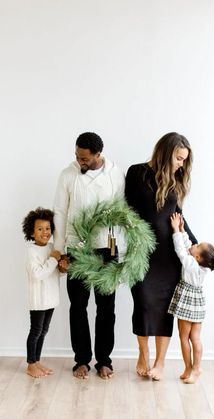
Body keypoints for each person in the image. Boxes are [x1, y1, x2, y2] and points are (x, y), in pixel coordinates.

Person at [125, 132, 197, 380]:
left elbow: (179, 218)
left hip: (169, 255)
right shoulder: (136, 172)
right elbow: (127, 211)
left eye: (184, 161)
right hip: (142, 252)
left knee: (166, 309)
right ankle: (143, 354)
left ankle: (160, 363)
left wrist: (195, 246)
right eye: (178, 158)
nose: (181, 164)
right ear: (166, 153)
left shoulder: (176, 182)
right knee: (143, 304)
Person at [53, 132, 125, 379]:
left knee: (107, 307)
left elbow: (121, 213)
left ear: (97, 154)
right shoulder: (68, 175)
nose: (79, 160)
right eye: (76, 155)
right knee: (78, 306)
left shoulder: (115, 173)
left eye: (83, 157)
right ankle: (81, 360)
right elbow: (60, 213)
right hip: (77, 248)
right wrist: (60, 251)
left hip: (109, 247)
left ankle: (104, 360)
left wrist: (120, 252)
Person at [168, 212, 214, 383]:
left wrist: (176, 231)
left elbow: (181, 250)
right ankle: (196, 368)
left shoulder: (190, 264)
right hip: (198, 303)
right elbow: (188, 247)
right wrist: (182, 228)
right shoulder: (203, 266)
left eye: (198, 245)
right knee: (195, 338)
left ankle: (190, 368)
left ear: (197, 257)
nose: (194, 244)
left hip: (187, 303)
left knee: (184, 337)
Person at [22, 207, 68, 378]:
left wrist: (63, 268)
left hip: (51, 298)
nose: (45, 232)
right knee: (36, 330)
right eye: (40, 229)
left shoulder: (51, 248)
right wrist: (53, 259)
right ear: (32, 232)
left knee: (44, 330)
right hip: (38, 298)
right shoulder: (31, 251)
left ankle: (37, 361)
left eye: (48, 229)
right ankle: (30, 364)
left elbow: (55, 273)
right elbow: (37, 274)